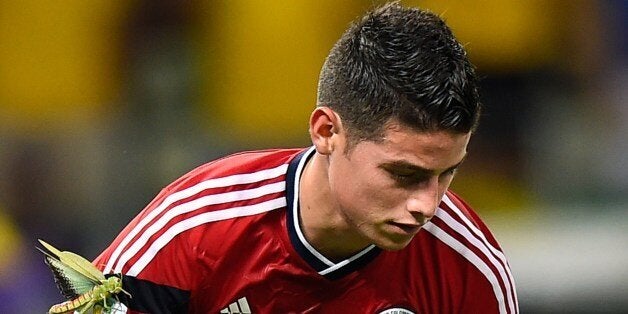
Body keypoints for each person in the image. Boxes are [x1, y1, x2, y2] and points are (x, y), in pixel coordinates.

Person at [93, 2, 518, 313]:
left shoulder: (469, 268)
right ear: (327, 132)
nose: (427, 204)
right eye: (404, 174)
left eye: (446, 175)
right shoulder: (190, 231)